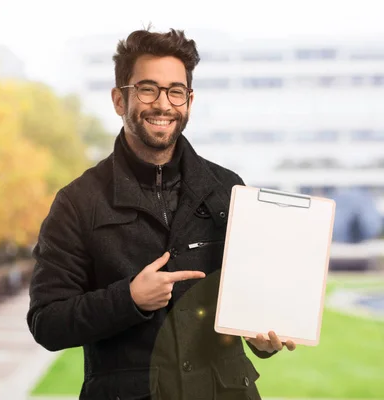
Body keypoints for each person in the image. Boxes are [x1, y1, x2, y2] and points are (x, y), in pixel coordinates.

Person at [26, 27, 296, 400]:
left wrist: (261, 339)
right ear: (120, 100)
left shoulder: (229, 189)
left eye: (175, 91)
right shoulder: (78, 202)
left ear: (189, 99)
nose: (163, 104)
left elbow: (250, 299)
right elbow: (46, 323)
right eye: (147, 89)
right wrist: (129, 299)